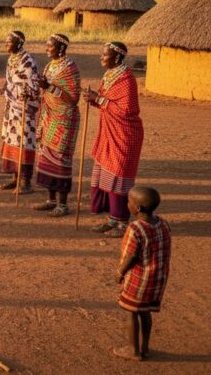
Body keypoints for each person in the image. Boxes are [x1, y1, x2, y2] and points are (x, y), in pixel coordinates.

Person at [86, 42, 145, 237]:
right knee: (107, 176)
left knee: (119, 177)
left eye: (105, 55)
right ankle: (112, 218)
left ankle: (122, 222)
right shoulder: (110, 76)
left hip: (125, 135)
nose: (102, 58)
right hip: (109, 132)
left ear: (117, 58)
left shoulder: (126, 79)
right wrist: (93, 100)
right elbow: (108, 105)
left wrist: (99, 99)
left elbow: (126, 110)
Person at [114, 186, 171, 362]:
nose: (127, 204)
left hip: (140, 278)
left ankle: (133, 350)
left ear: (137, 208)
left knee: (132, 312)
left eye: (129, 201)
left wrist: (120, 271)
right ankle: (144, 348)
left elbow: (131, 256)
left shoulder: (135, 228)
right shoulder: (163, 224)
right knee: (145, 312)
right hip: (157, 278)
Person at [33, 34, 81, 218]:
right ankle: (51, 200)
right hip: (48, 117)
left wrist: (50, 87)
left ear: (61, 48)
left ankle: (63, 204)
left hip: (63, 120)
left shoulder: (70, 68)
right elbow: (44, 90)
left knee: (60, 160)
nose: (46, 48)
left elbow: (73, 98)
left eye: (50, 46)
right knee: (46, 157)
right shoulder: (49, 66)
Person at [0, 31, 40, 192]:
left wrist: (24, 93)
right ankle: (15, 178)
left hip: (24, 109)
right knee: (11, 140)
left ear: (19, 44)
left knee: (24, 141)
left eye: (9, 42)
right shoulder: (11, 60)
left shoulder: (28, 62)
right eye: (5, 41)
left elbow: (33, 86)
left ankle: (25, 182)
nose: (6, 44)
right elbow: (10, 82)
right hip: (11, 108)